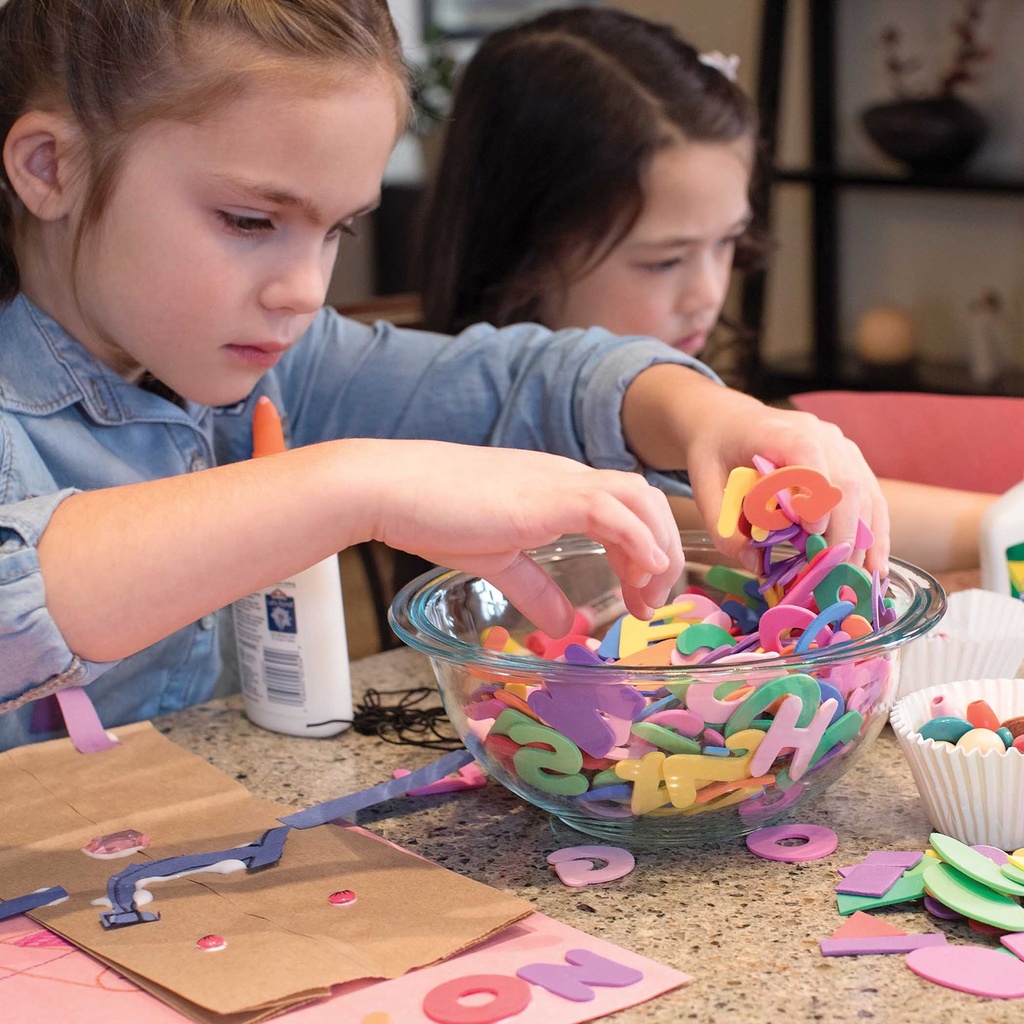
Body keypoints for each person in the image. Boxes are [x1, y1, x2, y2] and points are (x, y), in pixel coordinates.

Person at [0, 0, 888, 751]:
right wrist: (355, 485)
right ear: (52, 167)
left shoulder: (279, 364)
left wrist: (701, 413)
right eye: (247, 221)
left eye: (337, 231)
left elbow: (521, 379)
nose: (305, 291)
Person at [416, 5, 993, 574]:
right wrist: (997, 527)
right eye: (664, 261)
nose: (708, 294)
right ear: (522, 245)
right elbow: (714, 517)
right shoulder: (479, 460)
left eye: (727, 244)